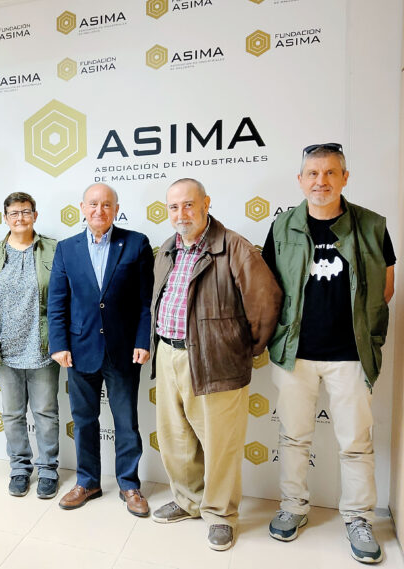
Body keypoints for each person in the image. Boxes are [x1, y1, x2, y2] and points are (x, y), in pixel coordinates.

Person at [262, 143, 395, 564]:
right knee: (293, 437)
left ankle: (357, 518)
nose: (321, 181)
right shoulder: (282, 227)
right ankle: (293, 507)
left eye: (330, 173)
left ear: (345, 177)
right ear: (300, 180)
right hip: (295, 354)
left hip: (351, 355)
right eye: (313, 174)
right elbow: (269, 289)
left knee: (355, 443)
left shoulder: (372, 226)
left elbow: (386, 288)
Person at [150, 178, 282, 551]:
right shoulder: (166, 249)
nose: (181, 214)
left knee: (220, 443)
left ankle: (221, 514)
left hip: (215, 358)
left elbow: (266, 303)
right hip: (169, 353)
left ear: (206, 203)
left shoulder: (234, 247)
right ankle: (188, 500)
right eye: (174, 207)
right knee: (176, 438)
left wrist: (241, 348)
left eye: (189, 205)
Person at [47, 183, 154, 517]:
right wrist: (59, 344)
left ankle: (129, 485)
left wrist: (142, 340)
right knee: (84, 421)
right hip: (79, 350)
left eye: (106, 205)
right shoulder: (67, 249)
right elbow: (57, 302)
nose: (99, 211)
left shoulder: (136, 243)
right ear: (82, 207)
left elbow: (144, 302)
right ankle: (88, 481)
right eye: (93, 204)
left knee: (126, 421)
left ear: (116, 208)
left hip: (123, 349)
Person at [0, 192, 60, 499]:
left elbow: (64, 299)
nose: (20, 218)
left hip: (43, 347)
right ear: (5, 217)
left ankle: (48, 468)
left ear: (35, 215)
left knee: (46, 412)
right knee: (11, 414)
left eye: (25, 212)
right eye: (14, 213)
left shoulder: (53, 249)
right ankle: (20, 468)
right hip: (5, 349)